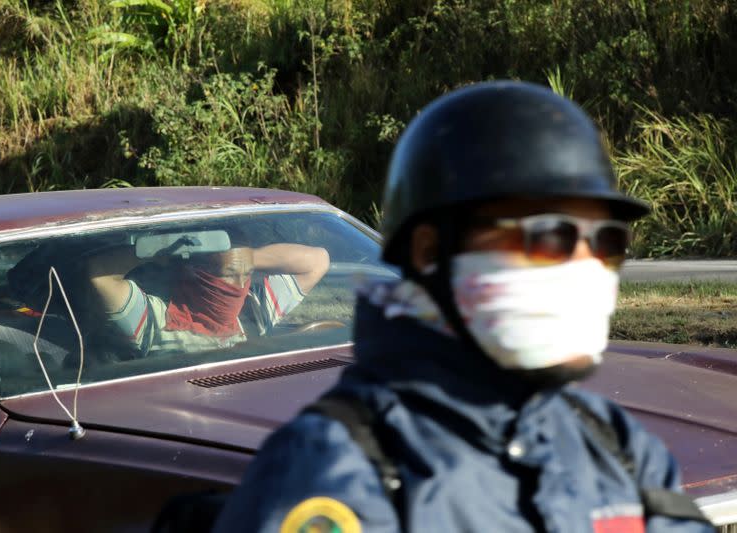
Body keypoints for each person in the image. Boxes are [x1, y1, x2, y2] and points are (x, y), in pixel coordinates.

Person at [212, 81, 714, 532]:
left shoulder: (614, 445)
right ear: (431, 252)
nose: (586, 269)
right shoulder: (335, 471)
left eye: (606, 242)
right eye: (550, 237)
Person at [86, 236, 330, 357]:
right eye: (229, 275)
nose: (240, 286)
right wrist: (159, 252)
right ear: (196, 273)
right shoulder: (155, 320)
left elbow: (318, 261)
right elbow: (99, 275)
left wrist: (246, 257)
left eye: (247, 275)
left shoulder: (253, 310)